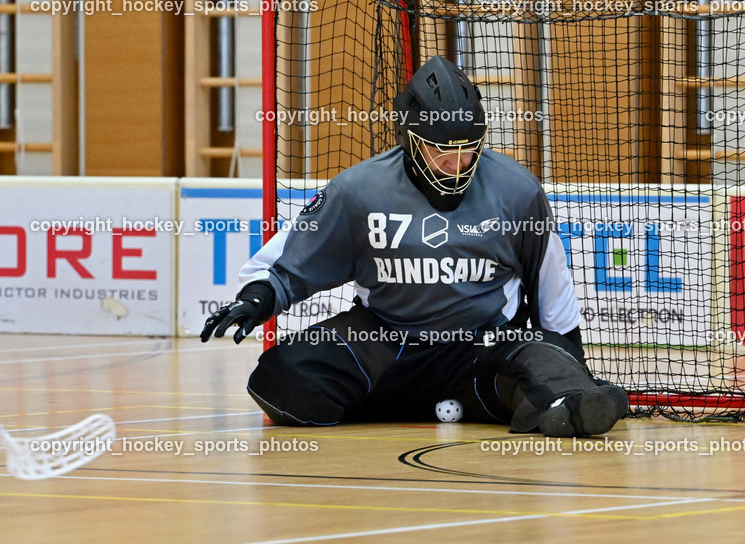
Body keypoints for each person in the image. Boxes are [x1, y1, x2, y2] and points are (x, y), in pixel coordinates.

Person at [200, 55, 628, 437]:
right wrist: (256, 299)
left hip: (485, 345)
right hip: (385, 340)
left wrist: (569, 362)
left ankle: (565, 400)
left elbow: (550, 280)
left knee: (552, 373)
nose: (456, 165)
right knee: (280, 380)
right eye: (441, 151)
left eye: (467, 150)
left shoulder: (517, 190)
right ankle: (463, 404)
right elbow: (290, 259)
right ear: (410, 138)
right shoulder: (358, 191)